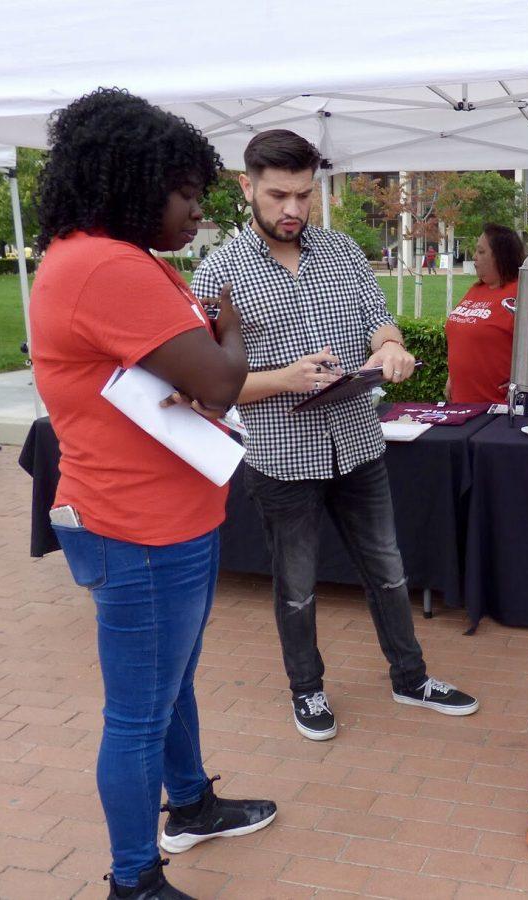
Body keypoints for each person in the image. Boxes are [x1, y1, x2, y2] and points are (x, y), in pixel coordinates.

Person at [29, 88, 276, 900]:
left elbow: (190, 379)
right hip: (140, 528)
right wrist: (231, 325)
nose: (197, 211)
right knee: (138, 711)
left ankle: (193, 803)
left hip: (163, 516)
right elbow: (220, 380)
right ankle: (134, 879)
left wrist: (206, 356)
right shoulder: (104, 265)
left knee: (170, 683)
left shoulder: (111, 258)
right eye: (185, 192)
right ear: (132, 181)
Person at [191, 130, 479, 743]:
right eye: (277, 195)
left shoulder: (344, 251)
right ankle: (308, 691)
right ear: (247, 188)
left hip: (358, 443)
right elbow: (208, 387)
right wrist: (284, 379)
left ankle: (410, 677)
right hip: (281, 457)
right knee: (295, 586)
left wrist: (393, 345)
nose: (292, 209)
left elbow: (379, 321)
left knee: (389, 569)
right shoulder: (219, 272)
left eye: (303, 195)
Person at [444, 224, 525, 403]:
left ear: (501, 256)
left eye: (481, 252)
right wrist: (453, 376)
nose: (474, 257)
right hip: (461, 403)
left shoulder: (521, 293)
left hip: (496, 408)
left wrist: (523, 379)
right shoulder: (476, 289)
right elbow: (462, 335)